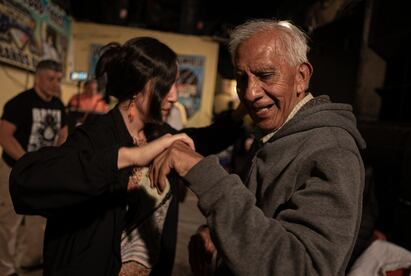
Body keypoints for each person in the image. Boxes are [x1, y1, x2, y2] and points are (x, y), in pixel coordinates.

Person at [9, 37, 245, 276]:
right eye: (167, 86)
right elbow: (26, 180)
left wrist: (242, 109)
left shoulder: (159, 133)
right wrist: (130, 156)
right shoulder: (95, 135)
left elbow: (205, 138)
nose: (174, 96)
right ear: (138, 87)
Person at [150, 19, 367, 275]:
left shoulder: (331, 151)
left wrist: (206, 176)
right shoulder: (276, 134)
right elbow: (260, 217)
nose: (250, 93)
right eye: (242, 78)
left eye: (265, 75)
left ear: (301, 77)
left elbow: (304, 268)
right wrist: (218, 233)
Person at [0, 59, 68, 275]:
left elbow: (63, 133)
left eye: (58, 79)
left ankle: (31, 259)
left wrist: (55, 158)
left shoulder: (58, 104)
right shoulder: (19, 103)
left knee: (38, 221)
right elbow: (4, 135)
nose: (55, 83)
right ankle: (6, 268)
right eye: (50, 79)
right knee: (9, 222)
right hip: (13, 169)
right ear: (38, 77)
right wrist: (26, 161)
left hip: (41, 173)